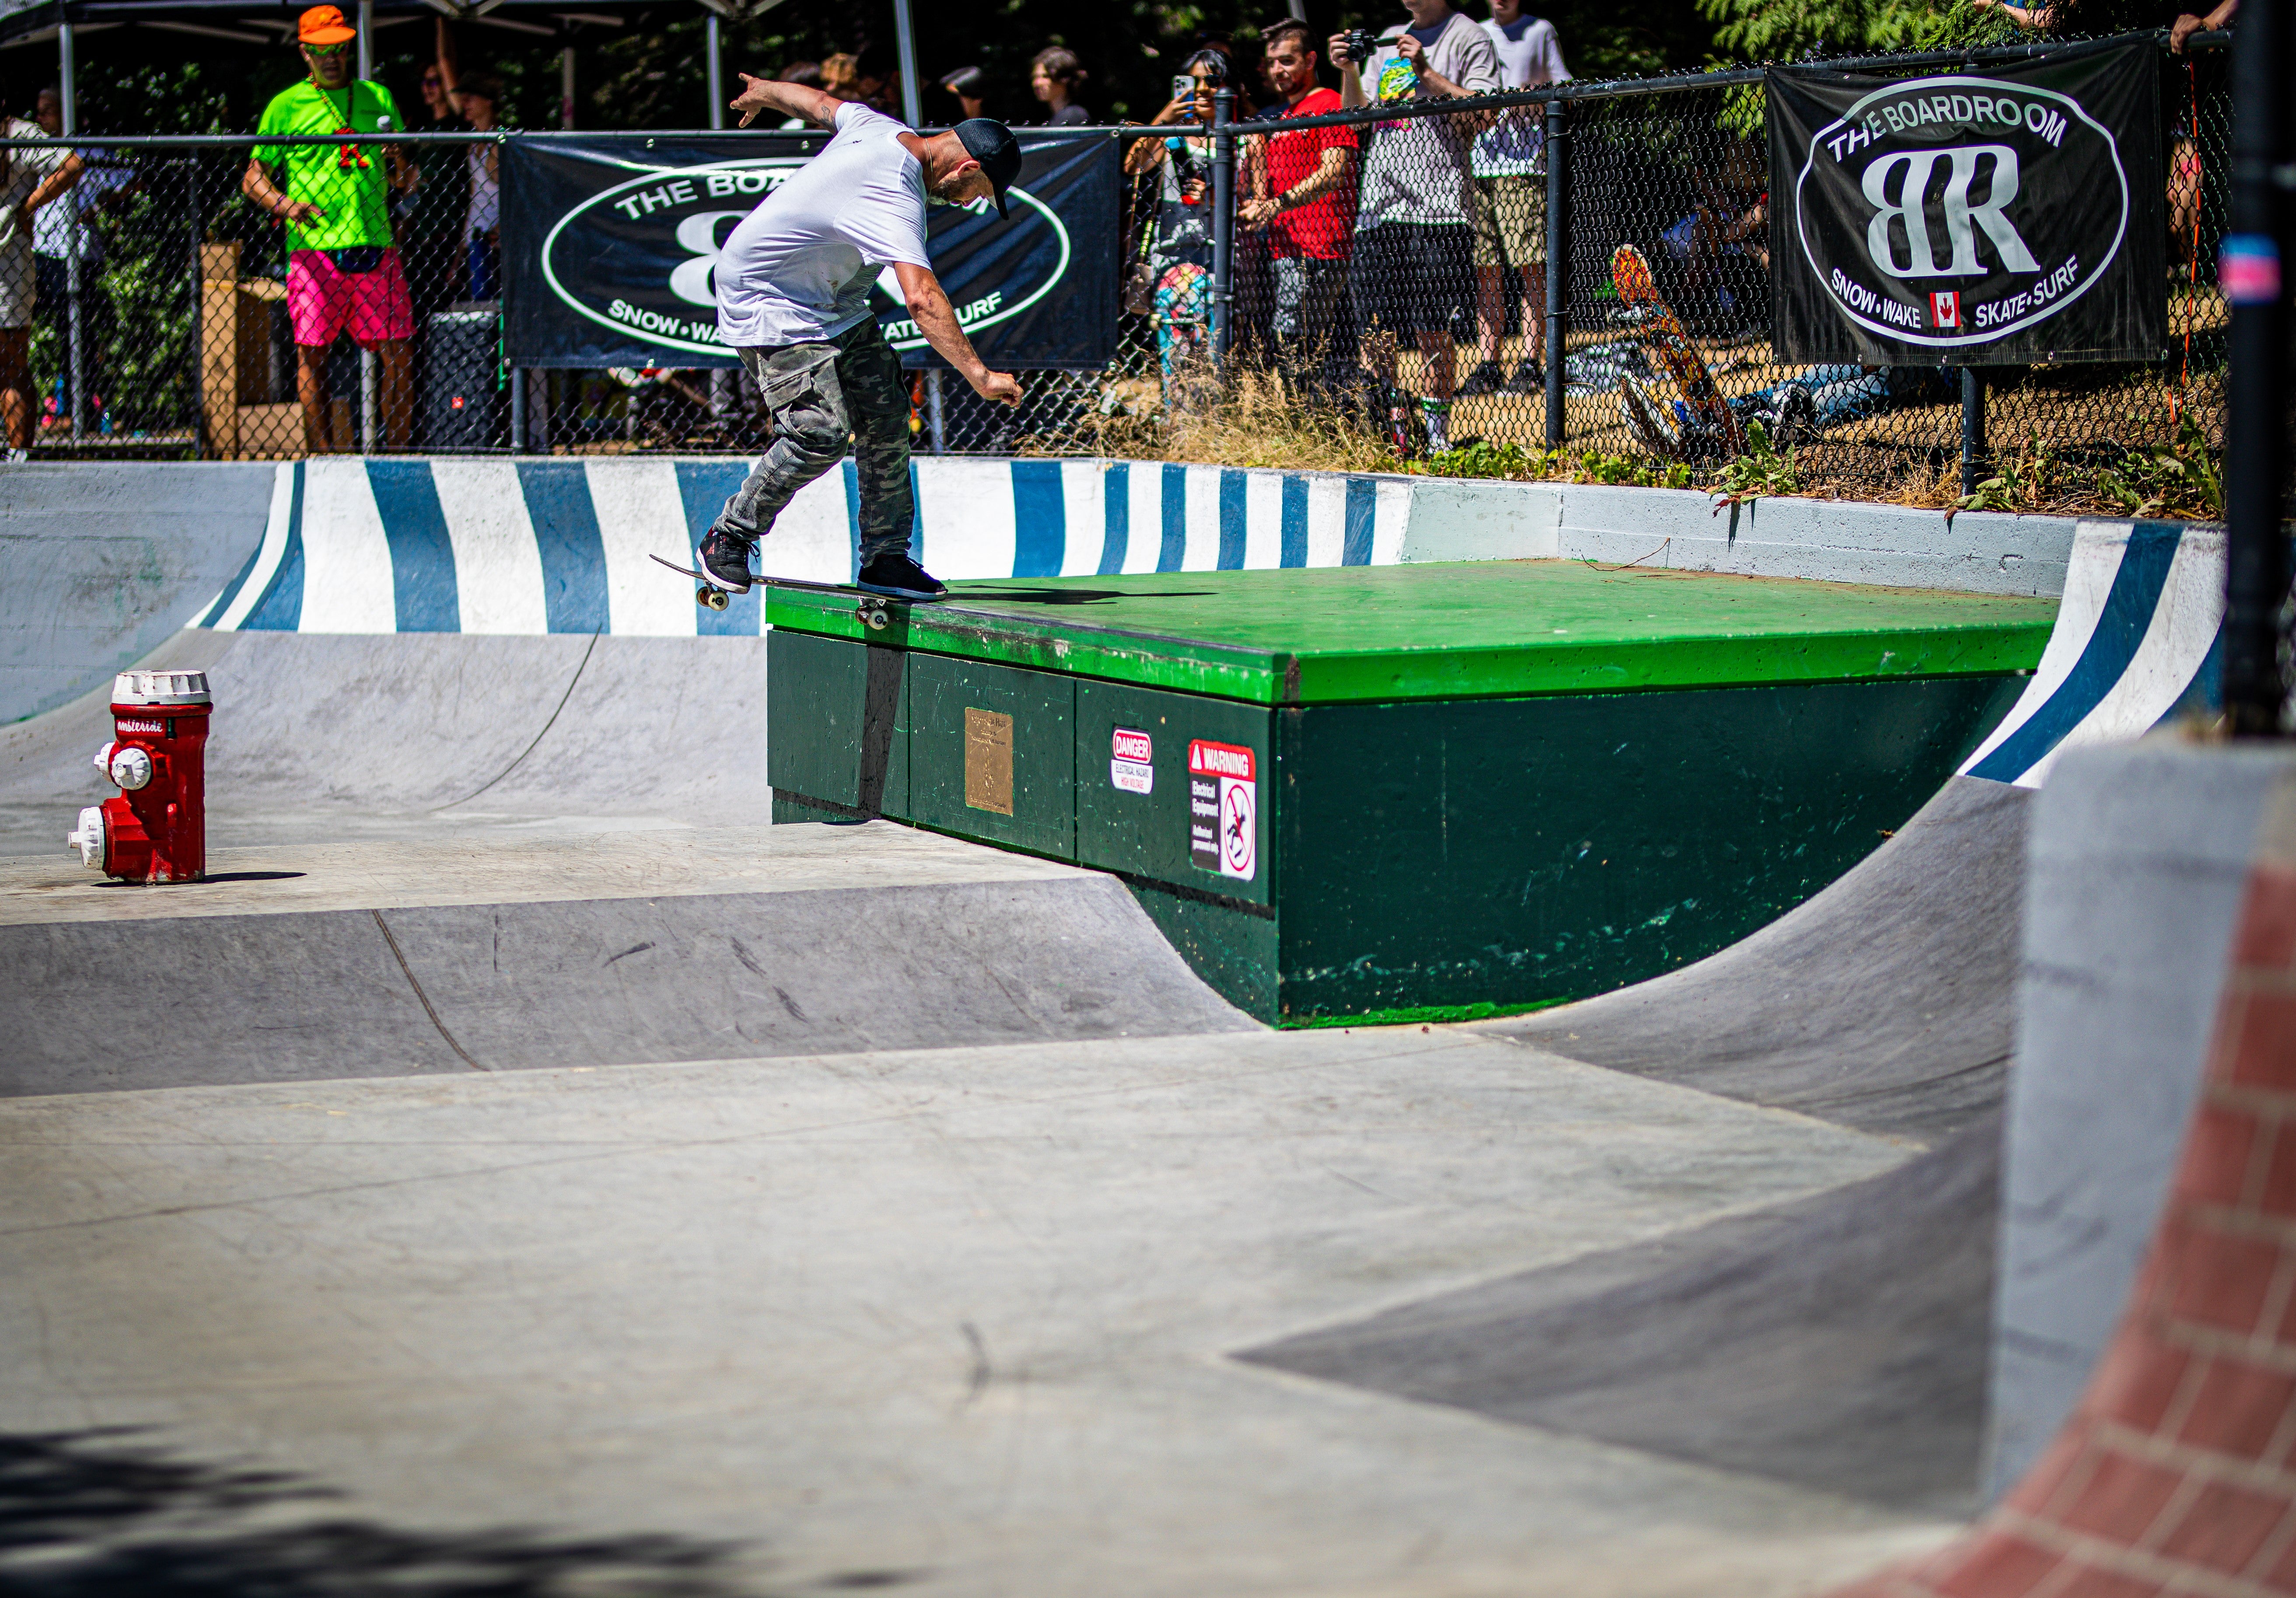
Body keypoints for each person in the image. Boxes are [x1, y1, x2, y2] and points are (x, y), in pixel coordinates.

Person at [696, 71, 1023, 601]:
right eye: (977, 191)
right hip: (767, 297)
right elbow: (922, 299)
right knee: (819, 432)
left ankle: (885, 558)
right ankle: (728, 536)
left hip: (832, 301)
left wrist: (766, 92)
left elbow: (821, 104)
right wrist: (979, 375)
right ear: (966, 166)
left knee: (888, 412)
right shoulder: (896, 192)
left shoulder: (879, 127)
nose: (967, 203)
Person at [242, 4, 416, 451]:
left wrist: (400, 163)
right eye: (322, 50)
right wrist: (285, 205)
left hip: (376, 244)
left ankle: (396, 455)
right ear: (305, 53)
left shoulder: (377, 96)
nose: (333, 57)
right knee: (312, 356)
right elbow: (253, 178)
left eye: (339, 47)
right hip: (315, 253)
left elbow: (405, 181)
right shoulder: (286, 107)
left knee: (399, 355)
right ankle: (324, 457)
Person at [1333, 0, 1499, 454]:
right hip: (1377, 209)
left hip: (1438, 207)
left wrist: (1426, 74)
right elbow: (1358, 118)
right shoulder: (1388, 36)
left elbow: (1486, 114)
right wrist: (1348, 71)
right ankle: (1391, 425)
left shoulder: (1468, 36)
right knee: (1374, 327)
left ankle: (1437, 435)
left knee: (1431, 327)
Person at [1121, 46, 1249, 398]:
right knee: (1176, 352)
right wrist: (1165, 118)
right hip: (1175, 259)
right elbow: (1134, 166)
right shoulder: (1174, 131)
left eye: (1212, 80)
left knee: (1217, 349)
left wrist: (1214, 196)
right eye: (1193, 83)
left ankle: (1216, 417)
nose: (1203, 90)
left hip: (1224, 259)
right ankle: (1179, 421)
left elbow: (1256, 197)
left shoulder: (1245, 136)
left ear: (1230, 85)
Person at [1238, 23, 1358, 398]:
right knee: (1291, 341)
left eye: (1287, 61)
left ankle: (1306, 419)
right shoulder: (1278, 115)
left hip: (1320, 247)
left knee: (1296, 341)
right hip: (1281, 248)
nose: (1279, 71)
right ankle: (1307, 416)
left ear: (1310, 60)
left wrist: (1278, 204)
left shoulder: (1328, 103)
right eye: (1272, 63)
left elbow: (1334, 172)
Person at [1459, 0, 1567, 397]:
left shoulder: (1539, 31)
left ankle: (1529, 361)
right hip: (1476, 162)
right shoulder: (1474, 32)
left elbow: (1566, 91)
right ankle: (1488, 363)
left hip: (1522, 166)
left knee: (1528, 266)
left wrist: (1529, 94)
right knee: (1485, 268)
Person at [31, 85, 126, 436]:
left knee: (77, 332)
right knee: (37, 329)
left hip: (77, 252)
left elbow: (131, 178)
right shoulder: (35, 147)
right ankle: (53, 405)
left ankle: (80, 409)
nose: (40, 118)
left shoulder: (88, 148)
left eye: (48, 111)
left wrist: (98, 207)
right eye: (38, 111)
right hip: (40, 249)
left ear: (65, 111)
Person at [0, 89, 81, 458]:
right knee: (11, 361)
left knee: (11, 360)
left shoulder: (19, 134)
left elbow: (72, 164)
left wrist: (29, 206)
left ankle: (19, 457)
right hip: (12, 261)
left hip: (9, 261)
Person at [438, 63, 503, 301]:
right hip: (477, 244)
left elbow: (516, 198)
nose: (464, 102)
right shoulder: (474, 145)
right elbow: (476, 204)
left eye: (471, 97)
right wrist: (458, 257)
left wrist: (498, 231)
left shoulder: (498, 146)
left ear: (488, 101)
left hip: (497, 247)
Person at [1030, 47, 1090, 126]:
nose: (1037, 83)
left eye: (1046, 76)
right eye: (1035, 77)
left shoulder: (1073, 116)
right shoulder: (1058, 116)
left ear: (1064, 78)